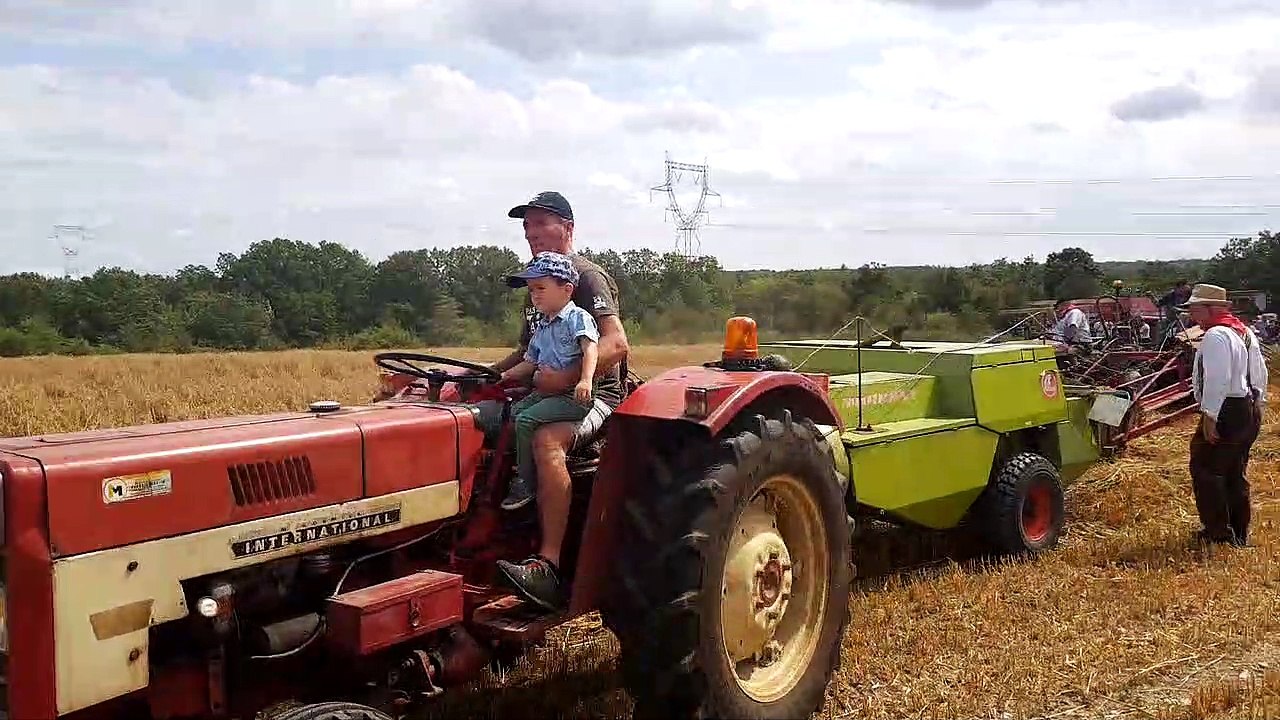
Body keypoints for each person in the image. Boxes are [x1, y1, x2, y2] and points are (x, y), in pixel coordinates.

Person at [487, 190, 631, 611]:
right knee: (478, 420)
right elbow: (526, 355)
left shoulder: (584, 277)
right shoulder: (537, 285)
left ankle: (547, 566)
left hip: (594, 393)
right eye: (526, 225)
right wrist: (480, 376)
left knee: (546, 440)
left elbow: (616, 344)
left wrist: (569, 378)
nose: (531, 232)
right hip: (544, 389)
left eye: (540, 223)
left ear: (567, 228)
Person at [497, 251, 600, 512]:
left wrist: (585, 380)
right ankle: (518, 465)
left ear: (567, 290)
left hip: (572, 399)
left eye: (541, 287)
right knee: (512, 414)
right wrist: (504, 376)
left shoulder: (578, 318)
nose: (535, 295)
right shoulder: (543, 325)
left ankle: (526, 482)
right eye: (532, 290)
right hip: (546, 395)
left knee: (526, 420)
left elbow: (591, 349)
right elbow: (530, 362)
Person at [1183, 283, 1268, 547]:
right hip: (1245, 407)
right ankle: (1238, 532)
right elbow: (1260, 371)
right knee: (1234, 470)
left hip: (1226, 409)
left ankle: (1218, 532)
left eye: (1195, 308)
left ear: (1210, 309)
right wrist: (1259, 401)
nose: (1192, 313)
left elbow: (1218, 378)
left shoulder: (1216, 335)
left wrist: (1209, 415)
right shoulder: (1243, 332)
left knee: (1207, 469)